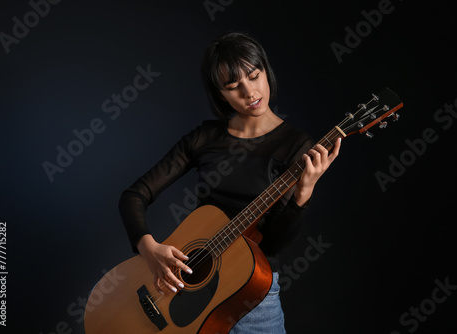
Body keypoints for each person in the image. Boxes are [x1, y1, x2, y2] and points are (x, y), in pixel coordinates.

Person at [118, 31, 341, 333]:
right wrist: (149, 249)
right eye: (233, 86)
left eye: (254, 75)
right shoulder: (204, 137)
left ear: (266, 71)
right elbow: (134, 195)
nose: (249, 92)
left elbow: (274, 244)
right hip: (181, 290)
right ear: (220, 94)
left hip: (252, 298)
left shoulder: (296, 146)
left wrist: (303, 191)